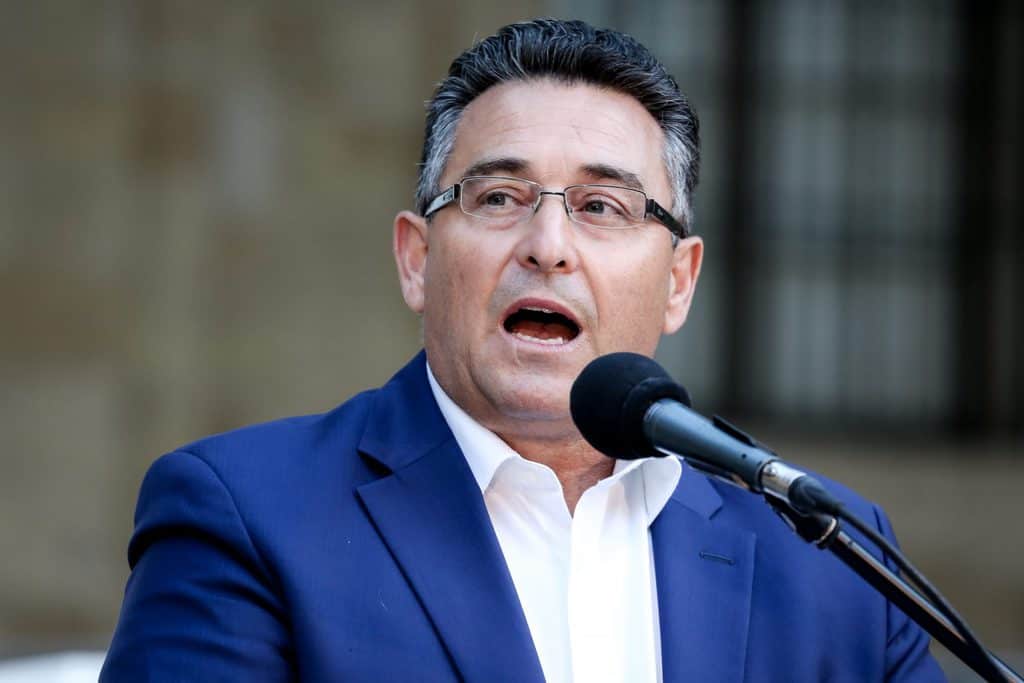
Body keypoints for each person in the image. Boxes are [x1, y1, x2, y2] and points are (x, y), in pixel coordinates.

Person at [101, 19, 946, 682]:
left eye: (603, 206)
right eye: (500, 197)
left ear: (679, 281)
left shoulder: (830, 556)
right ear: (417, 259)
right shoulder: (246, 516)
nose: (548, 245)